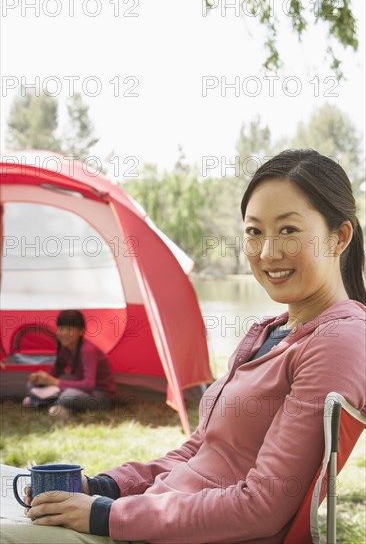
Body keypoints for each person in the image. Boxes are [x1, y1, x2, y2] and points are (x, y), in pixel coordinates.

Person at [2, 150, 365, 543]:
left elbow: (264, 505)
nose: (267, 252)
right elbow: (199, 450)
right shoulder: (267, 331)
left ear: (339, 237)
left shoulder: (337, 340)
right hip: (153, 519)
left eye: (289, 231)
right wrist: (104, 489)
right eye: (254, 231)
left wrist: (106, 517)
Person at [22, 310, 116, 417]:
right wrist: (40, 378)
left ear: (81, 331)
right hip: (78, 389)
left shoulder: (87, 351)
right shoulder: (65, 348)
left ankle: (44, 404)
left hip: (99, 396)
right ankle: (50, 405)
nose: (64, 333)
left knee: (68, 395)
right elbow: (55, 372)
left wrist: (54, 382)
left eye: (69, 329)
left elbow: (89, 385)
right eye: (61, 329)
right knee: (31, 385)